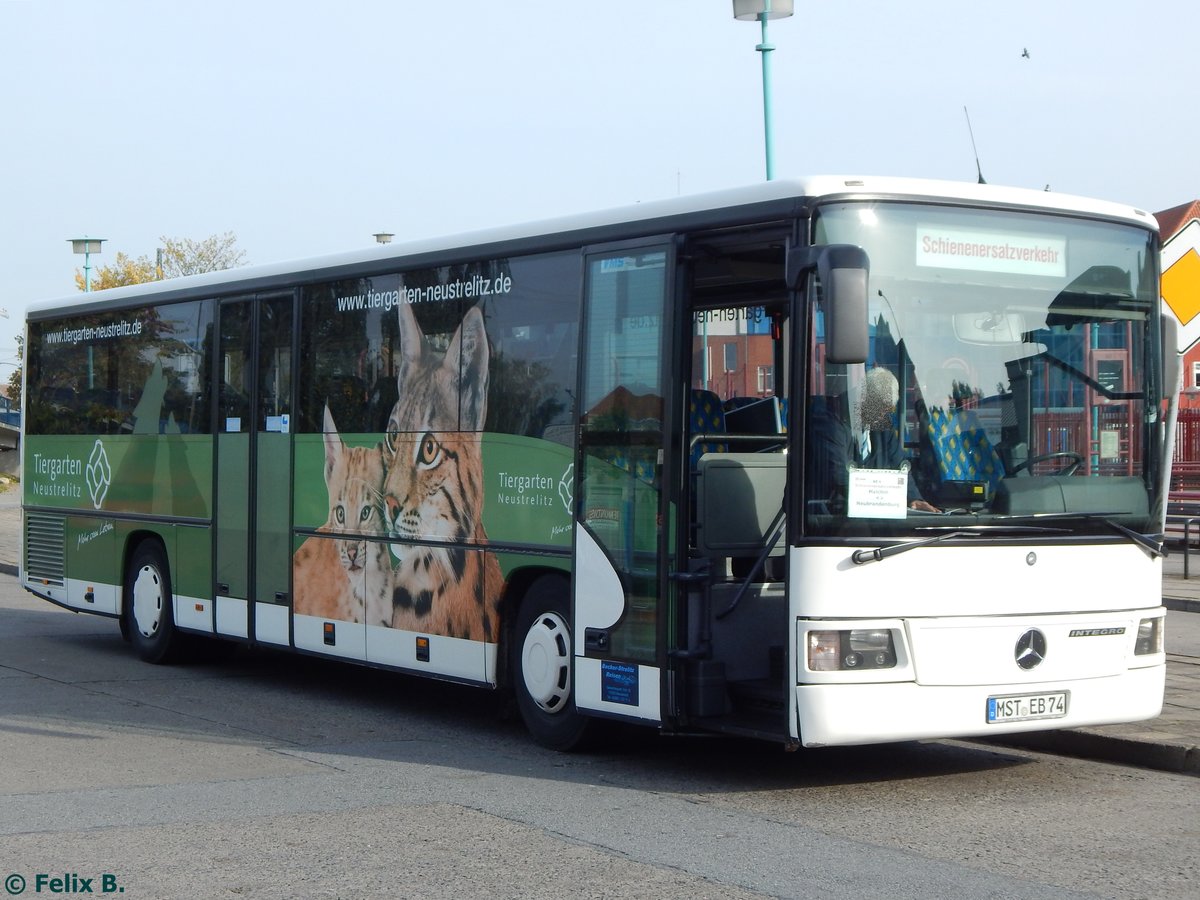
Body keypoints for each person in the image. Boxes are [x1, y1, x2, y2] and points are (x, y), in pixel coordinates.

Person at [806, 367, 939, 513]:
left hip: (867, 518)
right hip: (824, 518)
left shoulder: (881, 424)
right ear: (862, 396)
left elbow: (901, 467)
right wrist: (881, 498)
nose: (882, 415)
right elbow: (838, 475)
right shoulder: (827, 419)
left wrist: (914, 499)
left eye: (886, 410)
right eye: (879, 408)